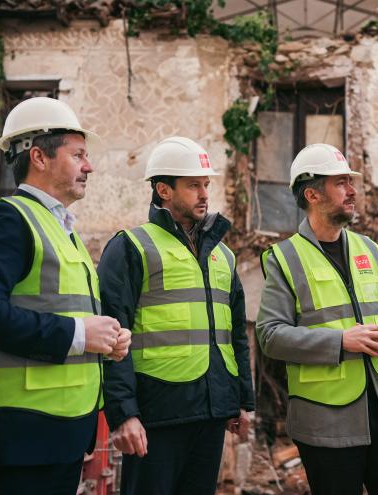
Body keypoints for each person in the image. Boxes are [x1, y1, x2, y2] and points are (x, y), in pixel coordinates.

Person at [0, 96, 131, 495]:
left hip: (53, 437)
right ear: (40, 157)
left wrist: (107, 341)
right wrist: (82, 335)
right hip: (10, 439)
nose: (90, 165)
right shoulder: (4, 218)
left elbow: (61, 314)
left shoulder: (65, 232)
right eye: (79, 154)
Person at [256, 143, 378, 495]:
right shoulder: (283, 259)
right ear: (312, 194)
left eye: (351, 181)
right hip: (325, 427)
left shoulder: (370, 249)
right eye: (341, 183)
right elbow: (270, 336)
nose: (352, 191)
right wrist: (340, 342)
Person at [97, 136, 254, 495]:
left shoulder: (223, 256)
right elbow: (111, 333)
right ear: (164, 190)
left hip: (212, 413)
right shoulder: (131, 246)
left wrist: (241, 401)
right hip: (156, 415)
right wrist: (124, 413)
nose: (204, 193)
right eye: (193, 185)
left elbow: (236, 336)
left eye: (206, 185)